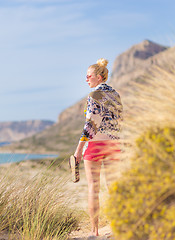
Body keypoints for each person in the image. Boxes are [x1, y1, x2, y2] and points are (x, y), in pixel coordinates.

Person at [73, 58, 123, 237]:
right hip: (114, 144)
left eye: (89, 76)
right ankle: (118, 227)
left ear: (100, 77)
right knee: (113, 188)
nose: (86, 79)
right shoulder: (116, 95)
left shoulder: (94, 96)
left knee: (93, 188)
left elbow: (90, 126)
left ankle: (95, 232)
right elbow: (120, 121)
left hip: (95, 145)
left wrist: (79, 150)